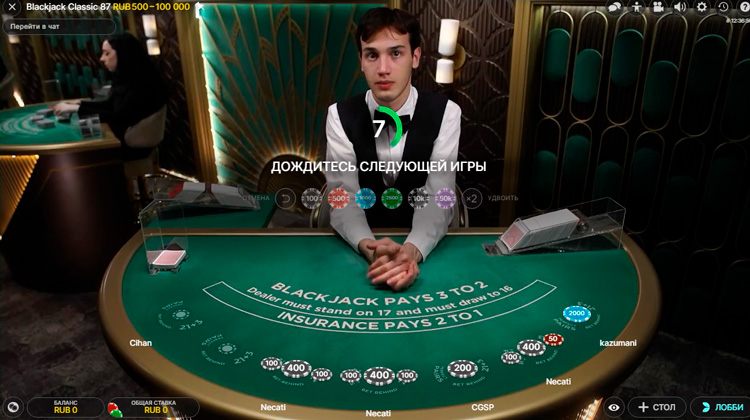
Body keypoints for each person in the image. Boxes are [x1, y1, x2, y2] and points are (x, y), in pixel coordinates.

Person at [325, 8, 461, 291]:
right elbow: (343, 197)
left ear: (415, 57)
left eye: (396, 53)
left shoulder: (447, 113)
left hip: (424, 245)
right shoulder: (339, 115)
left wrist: (409, 251)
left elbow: (438, 195)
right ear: (361, 61)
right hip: (361, 246)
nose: (383, 69)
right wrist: (371, 249)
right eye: (372, 55)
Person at [52, 33, 167, 160]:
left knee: (82, 147)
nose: (102, 58)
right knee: (83, 133)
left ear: (123, 54)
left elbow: (118, 117)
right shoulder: (126, 76)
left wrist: (76, 109)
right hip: (121, 134)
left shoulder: (143, 81)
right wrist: (79, 104)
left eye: (107, 53)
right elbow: (109, 105)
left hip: (132, 144)